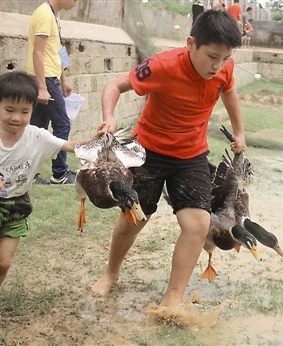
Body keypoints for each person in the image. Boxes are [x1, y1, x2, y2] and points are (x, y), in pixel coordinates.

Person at [90, 10, 246, 308]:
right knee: (135, 217)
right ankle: (111, 273)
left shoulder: (224, 69)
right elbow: (114, 86)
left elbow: (229, 91)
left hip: (191, 155)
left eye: (225, 58)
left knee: (198, 223)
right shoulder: (162, 66)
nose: (218, 66)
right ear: (191, 43)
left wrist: (239, 131)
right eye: (212, 56)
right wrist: (108, 118)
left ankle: (172, 298)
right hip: (149, 151)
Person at [0, 71, 106, 324]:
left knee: (3, 263)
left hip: (18, 205)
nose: (16, 118)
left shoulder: (37, 136)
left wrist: (95, 140)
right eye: (9, 110)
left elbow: (69, 146)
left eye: (24, 112)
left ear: (32, 109)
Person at [26, 0, 78, 185]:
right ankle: (59, 174)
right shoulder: (44, 14)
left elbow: (58, 50)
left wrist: (64, 79)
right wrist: (41, 86)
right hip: (45, 78)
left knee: (36, 127)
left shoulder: (54, 15)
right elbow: (37, 53)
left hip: (51, 77)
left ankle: (27, 173)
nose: (76, 3)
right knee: (62, 124)